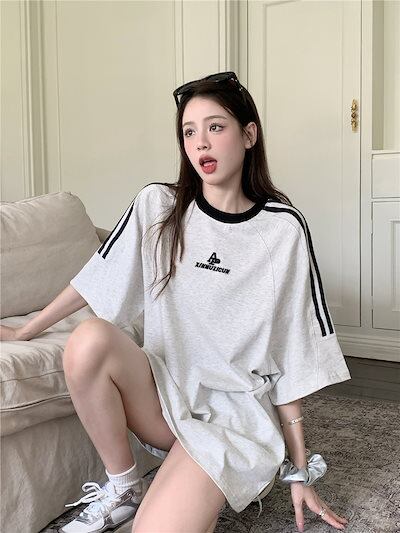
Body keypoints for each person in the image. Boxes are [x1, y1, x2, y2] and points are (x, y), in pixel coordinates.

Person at [1, 71, 351, 533]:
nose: (200, 143)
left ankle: (201, 479)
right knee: (88, 340)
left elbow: (293, 352)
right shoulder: (158, 207)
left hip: (235, 420)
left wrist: (300, 470)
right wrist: (26, 329)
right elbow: (97, 276)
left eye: (215, 127)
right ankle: (124, 488)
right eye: (189, 132)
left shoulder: (282, 230)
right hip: (167, 398)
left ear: (249, 134)